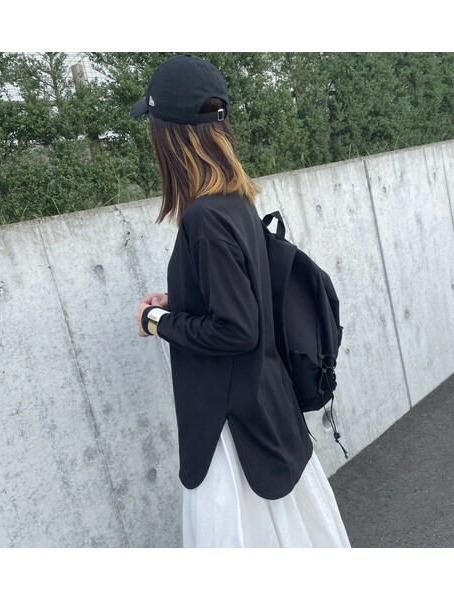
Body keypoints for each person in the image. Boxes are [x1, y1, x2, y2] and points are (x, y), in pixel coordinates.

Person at [133, 54, 351, 548]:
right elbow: (241, 294)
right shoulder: (236, 201)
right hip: (266, 407)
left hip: (232, 430)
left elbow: (236, 329)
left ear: (170, 135)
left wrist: (155, 320)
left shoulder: (203, 218)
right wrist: (180, 300)